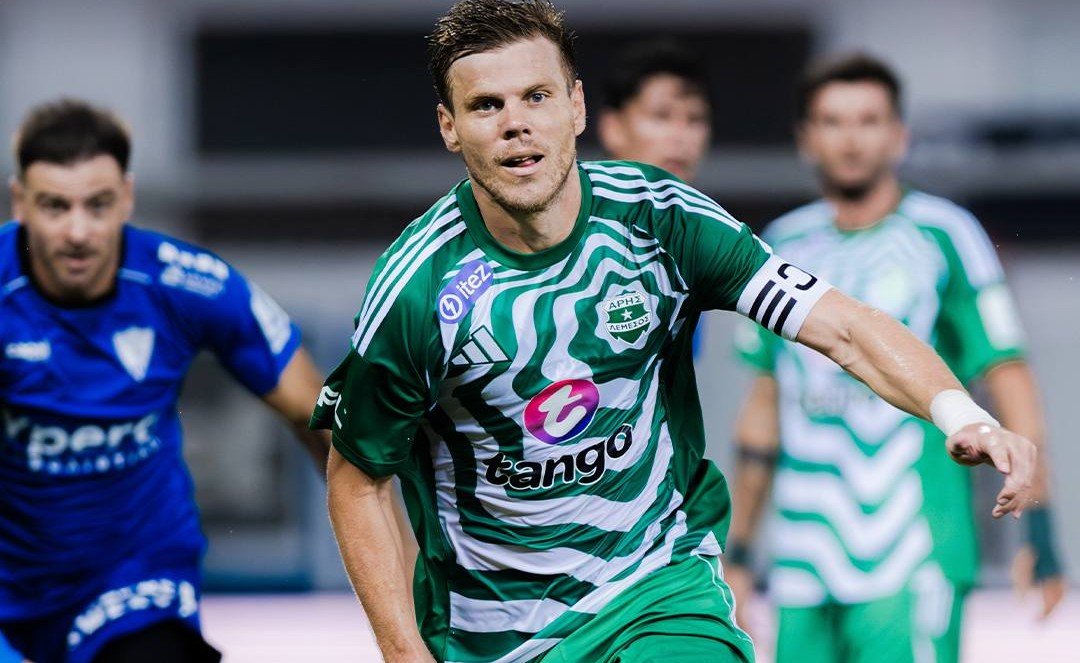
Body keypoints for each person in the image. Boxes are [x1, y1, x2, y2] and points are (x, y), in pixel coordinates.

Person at [313, 3, 1035, 662]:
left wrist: (960, 412)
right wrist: (403, 653)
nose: (515, 124)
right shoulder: (417, 289)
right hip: (499, 634)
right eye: (486, 105)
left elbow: (844, 327)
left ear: (576, 106)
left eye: (536, 96)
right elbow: (357, 478)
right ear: (449, 127)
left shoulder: (663, 217)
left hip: (657, 588)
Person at [726, 53, 1066, 663]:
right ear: (806, 138)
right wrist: (741, 552)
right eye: (833, 121)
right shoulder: (779, 245)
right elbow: (766, 399)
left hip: (912, 551)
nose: (851, 138)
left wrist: (1039, 528)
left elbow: (1007, 373)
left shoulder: (945, 233)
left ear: (899, 135)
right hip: (801, 558)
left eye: (868, 120)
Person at [0, 99, 330, 663]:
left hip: (131, 580)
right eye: (55, 206)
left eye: (98, 205)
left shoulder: (187, 283)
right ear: (20, 202)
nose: (78, 232)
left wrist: (396, 570)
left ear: (127, 197)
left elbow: (320, 416)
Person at [597, 39, 712, 184]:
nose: (681, 136)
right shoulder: (577, 198)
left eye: (695, 119)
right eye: (661, 116)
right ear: (613, 128)